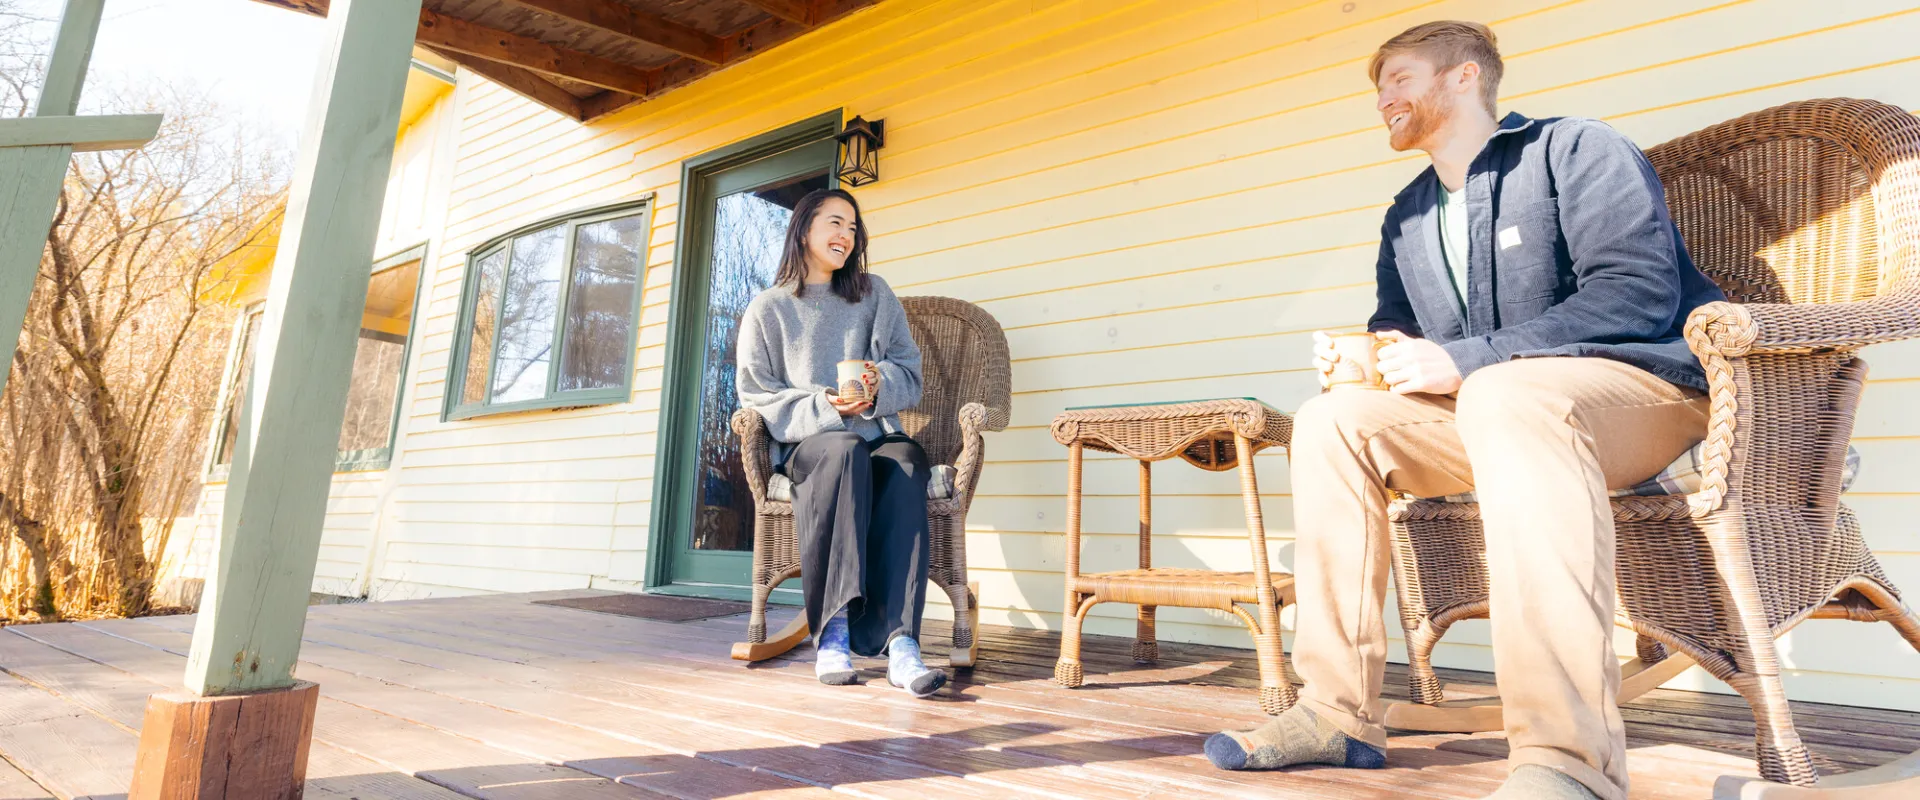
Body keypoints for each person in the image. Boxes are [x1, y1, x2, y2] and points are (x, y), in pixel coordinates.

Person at [1203, 21, 1725, 800]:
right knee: (1330, 421)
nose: (1383, 98)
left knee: (1504, 388)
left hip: (1644, 399)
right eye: (1378, 86)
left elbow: (1636, 291)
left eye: (1400, 77)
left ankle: (1565, 760)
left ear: (1464, 78)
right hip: (1494, 414)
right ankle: (1334, 713)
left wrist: (1472, 360)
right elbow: (1404, 333)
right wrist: (1369, 360)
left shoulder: (1573, 148)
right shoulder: (1406, 214)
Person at [735, 187, 946, 698]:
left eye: (853, 228)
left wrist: (877, 387)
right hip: (813, 444)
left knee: (907, 460)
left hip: (875, 432)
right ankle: (833, 632)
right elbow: (756, 396)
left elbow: (910, 375)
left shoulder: (874, 294)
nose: (845, 236)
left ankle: (901, 644)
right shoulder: (768, 308)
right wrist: (829, 406)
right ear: (803, 228)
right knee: (843, 448)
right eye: (834, 223)